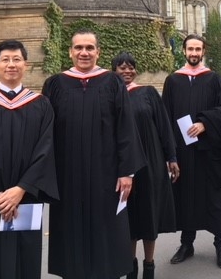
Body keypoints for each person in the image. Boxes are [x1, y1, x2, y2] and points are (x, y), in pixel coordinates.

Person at [42, 29, 146, 279]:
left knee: (106, 228)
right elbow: (44, 132)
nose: (84, 52)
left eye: (89, 48)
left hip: (106, 174)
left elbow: (125, 128)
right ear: (70, 52)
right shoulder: (55, 84)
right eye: (78, 47)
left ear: (98, 52)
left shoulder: (112, 83)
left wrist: (126, 172)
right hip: (68, 175)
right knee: (70, 228)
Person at [0, 40, 59, 279]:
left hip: (25, 198)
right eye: (5, 60)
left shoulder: (41, 105)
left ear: (26, 65)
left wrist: (20, 189)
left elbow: (46, 150)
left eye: (16, 59)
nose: (11, 64)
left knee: (25, 261)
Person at [162, 34, 221, 269]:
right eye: (190, 49)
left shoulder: (214, 79)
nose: (194, 53)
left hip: (210, 150)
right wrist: (171, 155)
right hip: (183, 152)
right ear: (184, 51)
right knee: (185, 197)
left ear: (203, 51)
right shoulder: (173, 80)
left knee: (214, 198)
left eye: (198, 49)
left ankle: (220, 245)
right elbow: (165, 118)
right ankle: (187, 244)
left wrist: (206, 123)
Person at [112, 52, 179, 279]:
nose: (127, 71)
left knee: (149, 215)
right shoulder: (110, 96)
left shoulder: (148, 93)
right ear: (114, 72)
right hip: (123, 167)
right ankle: (131, 268)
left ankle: (149, 265)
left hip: (151, 162)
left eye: (130, 67)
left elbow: (164, 126)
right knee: (129, 217)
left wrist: (172, 157)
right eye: (121, 68)